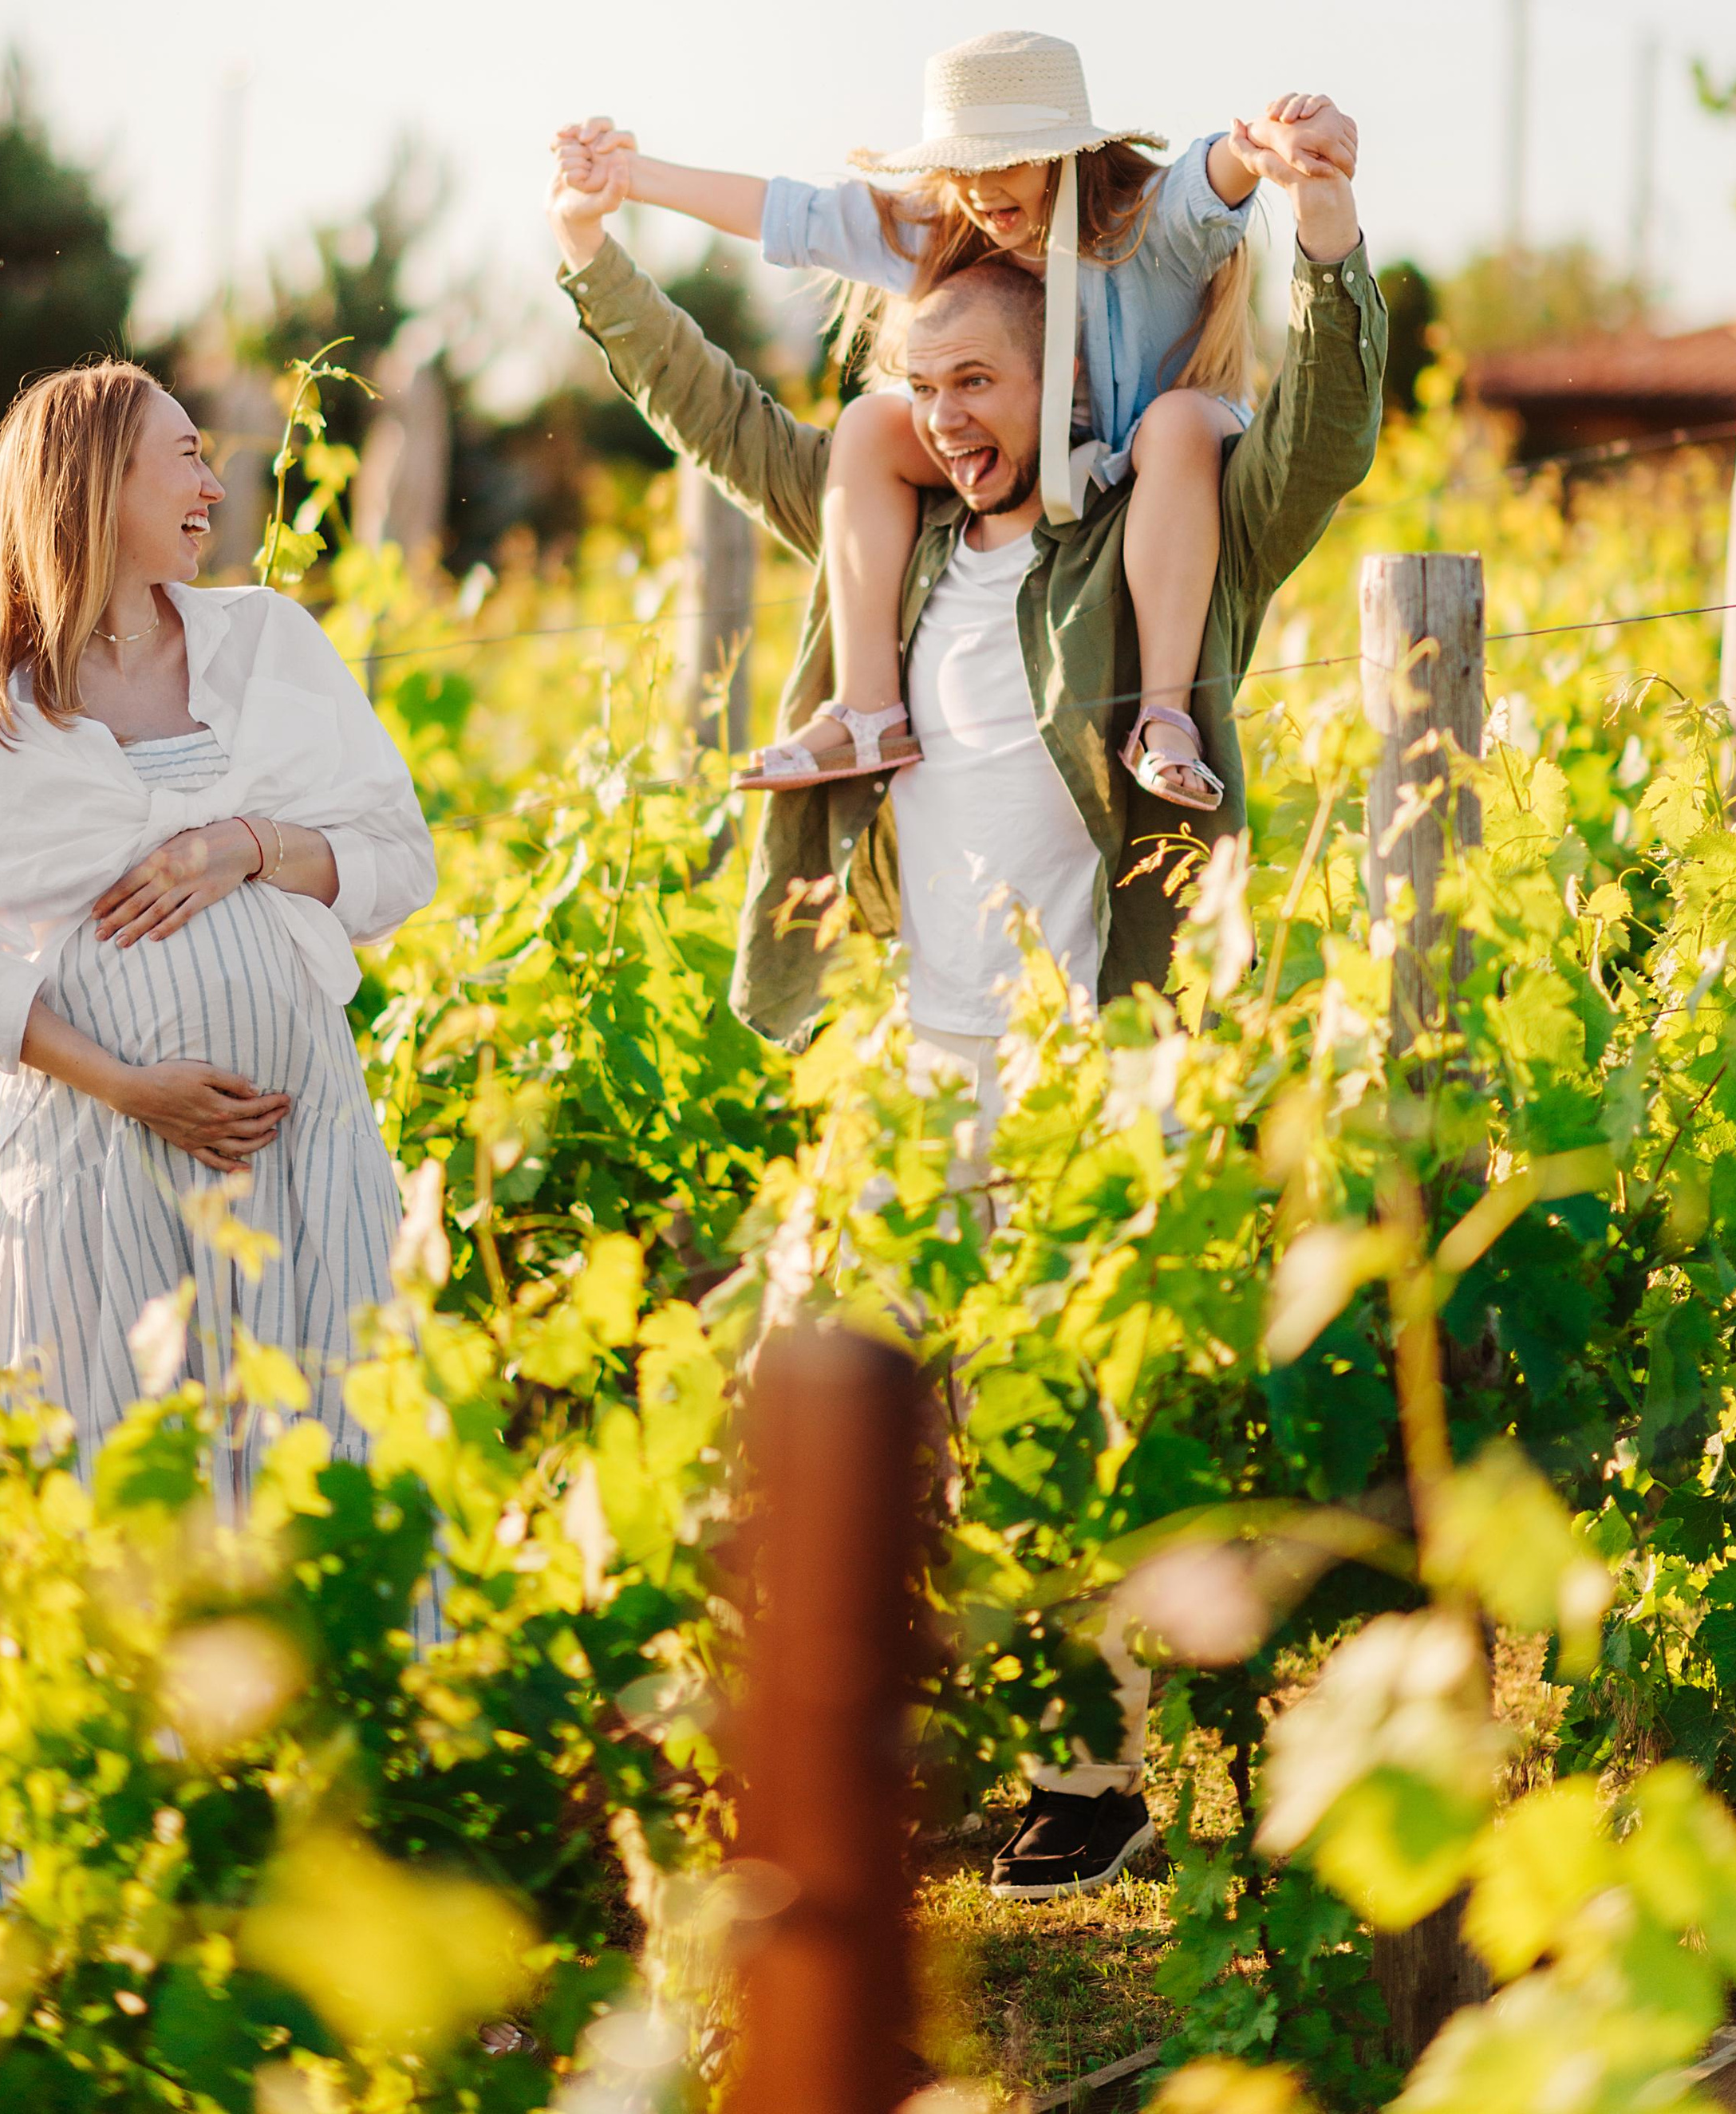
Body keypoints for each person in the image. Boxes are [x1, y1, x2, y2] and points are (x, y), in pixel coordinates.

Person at [545, 105, 1383, 1895]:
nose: (944, 418)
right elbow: (715, 413)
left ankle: (1092, 1776)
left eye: (979, 383)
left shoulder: (1156, 544)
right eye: (923, 387)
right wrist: (592, 263)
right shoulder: (898, 549)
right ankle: (878, 1755)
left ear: (1051, 376)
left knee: (1047, 1413)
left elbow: (1319, 433)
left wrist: (1320, 229)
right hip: (905, 1068)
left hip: (1082, 1070)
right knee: (853, 1418)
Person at [0, 363, 436, 1509]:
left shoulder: (271, 643)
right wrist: (131, 1085)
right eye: (185, 455)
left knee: (329, 1488)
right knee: (124, 1503)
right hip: (102, 1166)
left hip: (305, 1157)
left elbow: (399, 861)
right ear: (93, 483)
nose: (216, 485)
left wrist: (245, 841)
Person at [556, 28, 1355, 807]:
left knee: (1177, 423)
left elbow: (1206, 180)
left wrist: (1262, 149)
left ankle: (1164, 715)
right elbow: (789, 215)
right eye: (960, 167)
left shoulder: (1141, 225)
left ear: (1063, 154)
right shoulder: (944, 225)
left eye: (999, 163)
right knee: (871, 423)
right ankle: (869, 709)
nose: (976, 188)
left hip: (1153, 473)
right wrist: (630, 176)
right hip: (1025, 471)